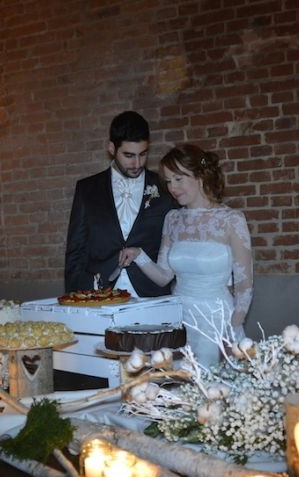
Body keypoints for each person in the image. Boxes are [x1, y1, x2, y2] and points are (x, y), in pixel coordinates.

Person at [119, 144, 253, 366]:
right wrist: (139, 255)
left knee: (213, 388)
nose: (172, 187)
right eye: (168, 181)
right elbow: (164, 276)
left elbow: (244, 285)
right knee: (177, 382)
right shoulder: (172, 219)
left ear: (200, 176)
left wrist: (233, 329)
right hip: (179, 318)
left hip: (217, 320)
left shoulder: (231, 220)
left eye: (178, 179)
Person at [64, 111, 177, 296]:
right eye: (129, 155)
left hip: (151, 293)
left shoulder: (165, 187)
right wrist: (74, 298)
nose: (137, 163)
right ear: (111, 148)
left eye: (143, 154)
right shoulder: (87, 189)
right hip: (100, 294)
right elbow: (76, 250)